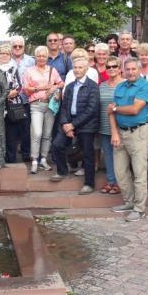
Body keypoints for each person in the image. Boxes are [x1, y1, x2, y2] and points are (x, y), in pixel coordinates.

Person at [108, 58, 148, 222]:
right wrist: (114, 133)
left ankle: (140, 209)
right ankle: (129, 202)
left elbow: (135, 109)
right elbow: (110, 112)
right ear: (123, 71)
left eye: (134, 69)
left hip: (138, 133)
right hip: (120, 132)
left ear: (139, 70)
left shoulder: (145, 86)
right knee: (120, 172)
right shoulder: (120, 86)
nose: (131, 72)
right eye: (128, 69)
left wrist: (115, 108)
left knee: (139, 172)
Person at [50, 58, 100, 194]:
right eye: (75, 68)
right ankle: (62, 171)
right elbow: (64, 107)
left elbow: (91, 110)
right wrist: (66, 124)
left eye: (80, 68)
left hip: (86, 125)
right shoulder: (71, 86)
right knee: (56, 144)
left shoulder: (93, 87)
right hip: (69, 122)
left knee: (88, 154)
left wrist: (73, 125)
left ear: (86, 69)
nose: (77, 70)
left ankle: (89, 184)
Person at [23, 46, 64, 173]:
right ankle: (35, 160)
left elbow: (61, 83)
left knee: (47, 135)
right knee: (37, 133)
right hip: (36, 105)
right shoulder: (29, 71)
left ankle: (44, 159)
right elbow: (25, 89)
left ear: (47, 57)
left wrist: (54, 87)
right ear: (35, 57)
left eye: (44, 56)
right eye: (39, 56)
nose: (41, 58)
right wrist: (39, 88)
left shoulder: (52, 70)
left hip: (50, 105)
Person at [0, 45, 29, 163]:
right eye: (1, 53)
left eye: (6, 53)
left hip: (12, 106)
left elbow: (19, 86)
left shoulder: (14, 68)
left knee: (11, 135)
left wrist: (11, 93)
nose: (4, 55)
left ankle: (11, 158)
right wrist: (4, 95)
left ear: (10, 55)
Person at [98, 56, 123, 195]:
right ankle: (111, 181)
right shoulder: (102, 86)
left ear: (120, 69)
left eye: (114, 66)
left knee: (120, 156)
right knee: (108, 155)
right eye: (109, 67)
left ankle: (120, 183)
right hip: (104, 125)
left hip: (121, 126)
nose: (111, 69)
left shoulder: (125, 84)